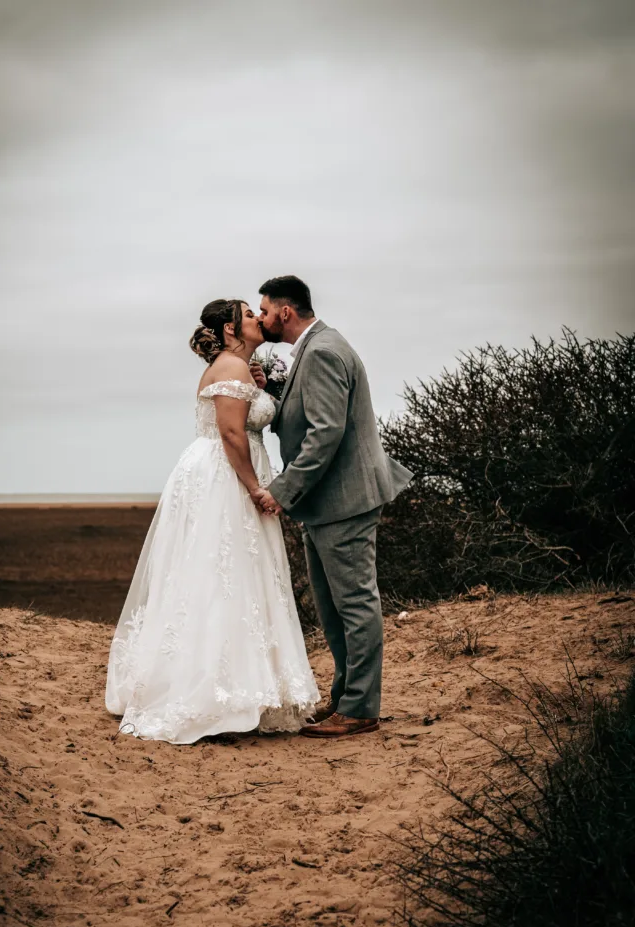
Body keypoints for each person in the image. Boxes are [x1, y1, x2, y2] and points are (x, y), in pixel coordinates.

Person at [105, 298, 319, 743]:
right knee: (222, 575)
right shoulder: (231, 368)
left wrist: (262, 387)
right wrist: (254, 486)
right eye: (247, 314)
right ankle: (213, 690)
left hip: (216, 470)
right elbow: (230, 433)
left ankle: (240, 685)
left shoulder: (240, 369)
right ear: (228, 330)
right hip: (224, 475)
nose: (257, 319)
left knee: (228, 574)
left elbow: (244, 419)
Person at [252, 276, 413, 739]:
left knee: (356, 604)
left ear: (285, 312)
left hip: (343, 500)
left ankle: (361, 708)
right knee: (332, 607)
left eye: (264, 310)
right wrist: (276, 395)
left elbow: (326, 432)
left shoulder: (322, 350)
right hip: (324, 503)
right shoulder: (312, 347)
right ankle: (345, 697)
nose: (261, 319)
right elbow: (308, 416)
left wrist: (283, 490)